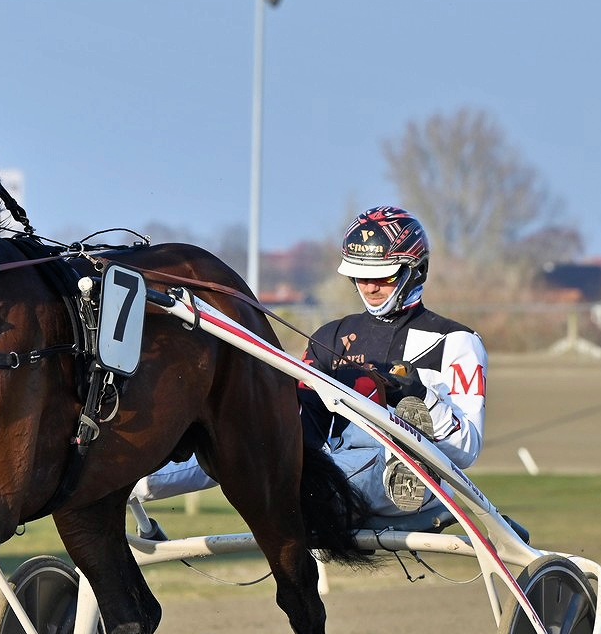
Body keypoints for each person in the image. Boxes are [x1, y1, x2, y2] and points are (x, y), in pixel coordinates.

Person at [133, 206, 488, 523]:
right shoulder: (331, 336)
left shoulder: (457, 342)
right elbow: (305, 422)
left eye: (384, 276)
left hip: (414, 478)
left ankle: (408, 467)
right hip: (328, 464)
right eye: (361, 276)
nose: (370, 287)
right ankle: (129, 481)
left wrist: (420, 396)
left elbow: (466, 449)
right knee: (242, 445)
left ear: (415, 270)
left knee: (320, 472)